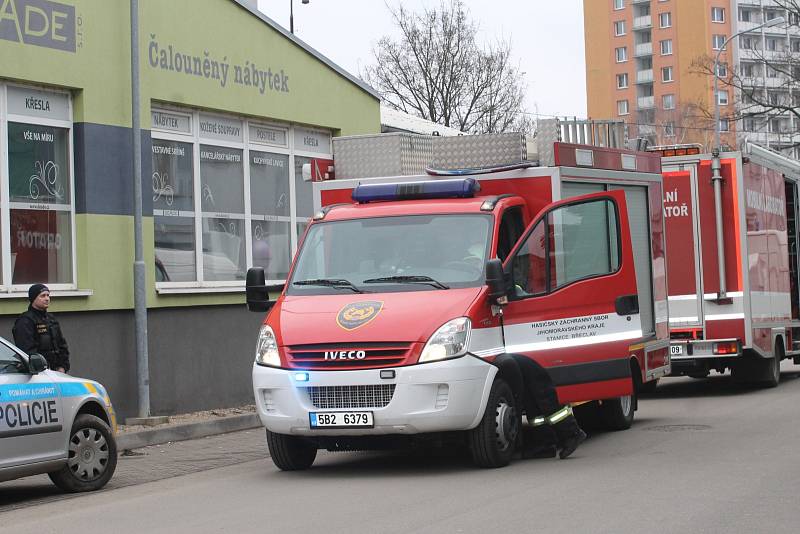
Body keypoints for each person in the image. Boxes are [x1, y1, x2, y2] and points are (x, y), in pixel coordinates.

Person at [511, 354, 586, 459]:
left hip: (530, 354)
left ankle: (572, 433)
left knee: (544, 395)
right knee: (532, 400)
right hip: (520, 355)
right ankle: (545, 444)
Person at [13, 284, 70, 373]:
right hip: (38, 373)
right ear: (33, 299)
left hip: (57, 372)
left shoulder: (51, 319)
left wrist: (63, 367)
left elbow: (62, 345)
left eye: (48, 295)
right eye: (42, 296)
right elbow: (27, 350)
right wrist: (41, 369)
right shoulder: (25, 321)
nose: (47, 299)